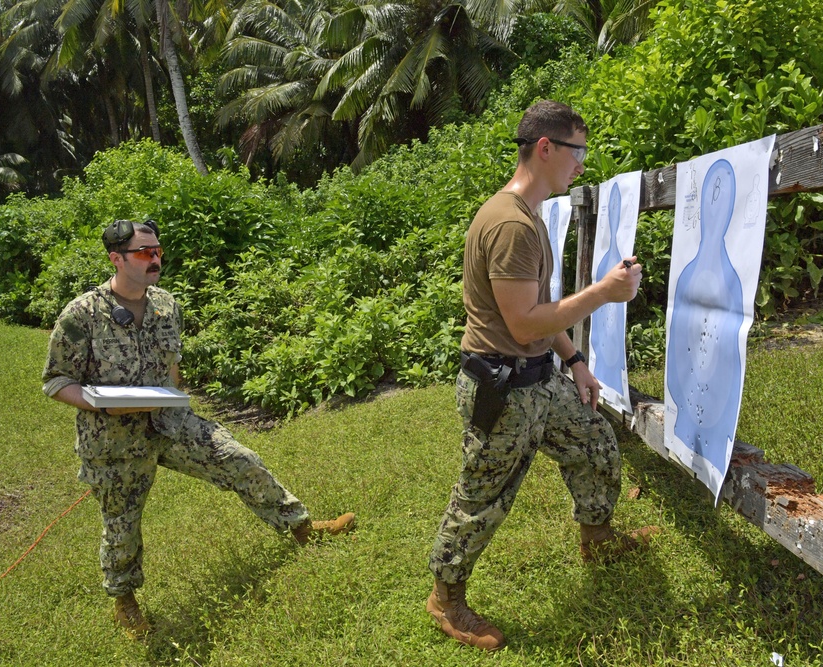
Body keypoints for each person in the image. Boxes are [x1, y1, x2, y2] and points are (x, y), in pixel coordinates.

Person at [42, 219, 355, 639]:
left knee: (240, 460)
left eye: (157, 251)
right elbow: (56, 381)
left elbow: (172, 365)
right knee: (122, 522)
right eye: (143, 253)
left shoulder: (166, 304)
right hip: (113, 440)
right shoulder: (82, 314)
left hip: (170, 423)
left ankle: (301, 529)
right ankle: (124, 601)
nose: (155, 259)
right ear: (116, 258)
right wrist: (101, 404)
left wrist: (172, 395)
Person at [426, 100, 658, 651]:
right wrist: (602, 293)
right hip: (503, 388)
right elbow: (522, 320)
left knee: (594, 439)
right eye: (577, 152)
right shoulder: (511, 225)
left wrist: (574, 362)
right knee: (484, 494)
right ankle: (446, 596)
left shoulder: (527, 216)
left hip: (536, 377)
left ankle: (597, 537)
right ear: (547, 148)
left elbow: (542, 305)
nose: (582, 165)